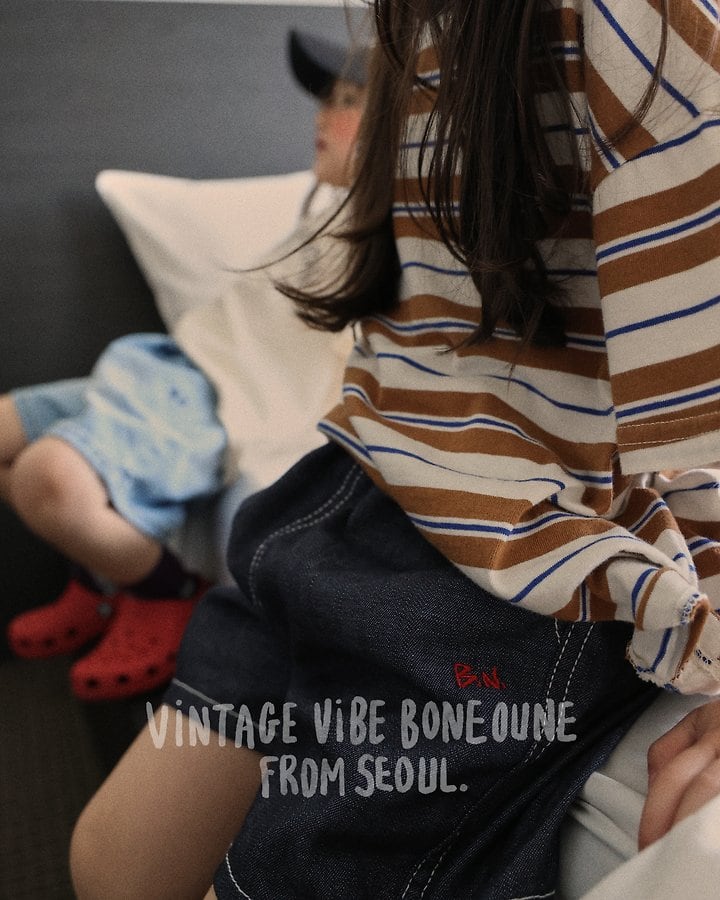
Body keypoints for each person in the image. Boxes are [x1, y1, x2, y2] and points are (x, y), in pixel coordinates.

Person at [70, 2, 720, 899]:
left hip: (506, 578)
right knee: (110, 862)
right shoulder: (428, 28)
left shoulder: (650, 31)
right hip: (346, 493)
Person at [0, 28, 367, 702]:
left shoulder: (401, 240)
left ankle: (161, 590)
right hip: (170, 370)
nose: (321, 116)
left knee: (45, 476)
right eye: (325, 99)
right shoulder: (325, 214)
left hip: (217, 402)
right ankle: (102, 576)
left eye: (347, 101)